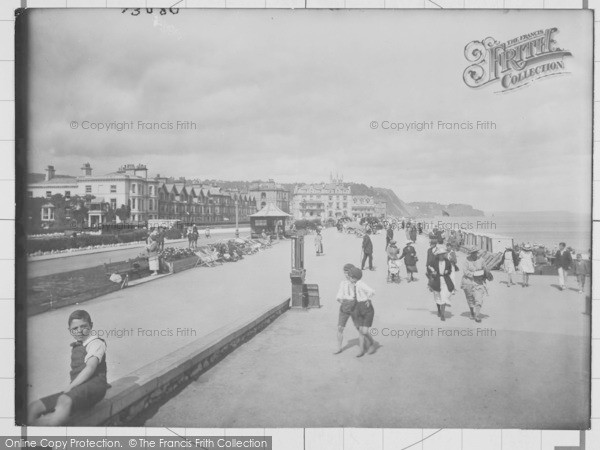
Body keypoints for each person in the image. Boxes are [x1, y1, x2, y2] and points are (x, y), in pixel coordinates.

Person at [28, 310, 109, 425]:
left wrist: (71, 386)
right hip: (79, 388)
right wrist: (72, 388)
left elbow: (90, 368)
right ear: (70, 330)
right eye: (75, 328)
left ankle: (48, 430)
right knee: (34, 406)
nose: (79, 331)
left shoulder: (95, 343)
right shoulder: (78, 345)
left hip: (95, 386)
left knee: (64, 400)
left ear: (91, 325)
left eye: (84, 326)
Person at [347, 267, 376, 357]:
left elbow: (372, 291)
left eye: (350, 277)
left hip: (367, 310)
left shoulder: (361, 284)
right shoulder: (354, 284)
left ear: (354, 277)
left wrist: (368, 299)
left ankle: (371, 342)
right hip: (358, 308)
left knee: (364, 331)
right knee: (360, 330)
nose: (348, 278)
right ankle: (361, 350)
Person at [334, 264, 360, 355]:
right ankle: (339, 348)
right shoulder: (343, 283)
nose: (346, 275)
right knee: (340, 327)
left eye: (347, 272)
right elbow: (339, 296)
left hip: (355, 307)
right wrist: (343, 302)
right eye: (344, 273)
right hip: (344, 307)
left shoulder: (358, 283)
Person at [461, 246, 490, 323]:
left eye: (475, 253)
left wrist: (486, 274)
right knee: (470, 298)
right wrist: (473, 274)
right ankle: (472, 312)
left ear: (477, 253)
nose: (474, 254)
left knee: (479, 299)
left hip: (479, 282)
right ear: (470, 253)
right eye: (472, 253)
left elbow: (485, 269)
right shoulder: (466, 260)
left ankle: (477, 315)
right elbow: (465, 271)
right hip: (468, 282)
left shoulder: (481, 260)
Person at [427, 246, 455, 321]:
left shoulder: (447, 261)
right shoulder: (434, 261)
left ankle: (442, 314)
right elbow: (429, 267)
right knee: (438, 296)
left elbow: (450, 270)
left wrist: (447, 271)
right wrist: (433, 272)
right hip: (437, 280)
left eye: (443, 254)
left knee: (444, 297)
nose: (442, 255)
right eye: (441, 254)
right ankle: (439, 310)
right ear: (438, 255)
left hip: (445, 280)